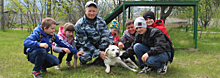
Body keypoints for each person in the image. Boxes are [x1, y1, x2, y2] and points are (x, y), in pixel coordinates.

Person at [75, 1, 113, 66]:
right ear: (85, 11)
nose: (91, 13)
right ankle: (83, 60)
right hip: (87, 46)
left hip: (99, 43)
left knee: (110, 47)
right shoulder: (79, 24)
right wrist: (98, 53)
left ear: (96, 11)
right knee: (85, 57)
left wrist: (110, 44)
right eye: (89, 11)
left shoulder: (101, 21)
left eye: (93, 11)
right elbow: (84, 43)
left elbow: (108, 33)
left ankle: (101, 59)